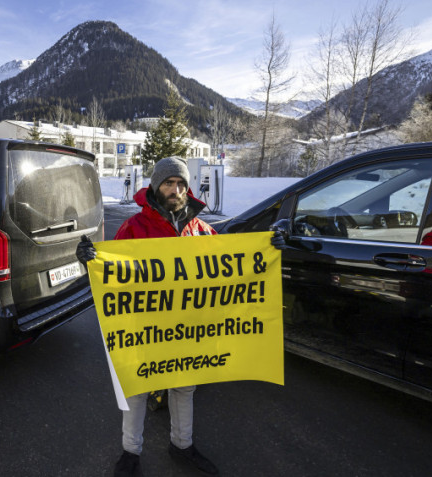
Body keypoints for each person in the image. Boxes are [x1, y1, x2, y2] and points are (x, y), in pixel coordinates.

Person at [76, 156, 285, 476]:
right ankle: (130, 452)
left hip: (188, 330)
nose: (175, 190)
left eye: (181, 184)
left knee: (184, 387)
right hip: (144, 328)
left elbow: (231, 270)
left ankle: (182, 445)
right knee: (137, 388)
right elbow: (112, 274)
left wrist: (269, 248)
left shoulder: (201, 231)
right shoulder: (135, 227)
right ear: (155, 186)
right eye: (168, 183)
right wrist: (90, 260)